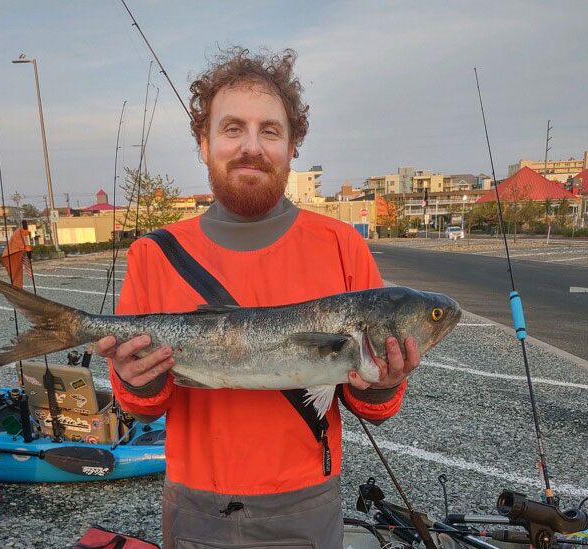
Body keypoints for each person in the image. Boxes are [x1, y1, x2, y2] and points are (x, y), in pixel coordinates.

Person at [96, 47, 422, 548]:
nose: (252, 146)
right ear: (204, 144)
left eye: (270, 130)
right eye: (232, 129)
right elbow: (142, 406)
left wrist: (383, 382)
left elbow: (368, 401)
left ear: (292, 147)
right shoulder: (153, 253)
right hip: (196, 504)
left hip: (308, 503)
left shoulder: (343, 246)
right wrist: (134, 383)